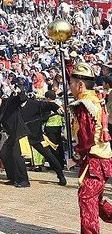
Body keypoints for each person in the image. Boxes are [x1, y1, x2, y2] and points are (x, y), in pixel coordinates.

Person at [68, 62, 112, 234]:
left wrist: (75, 157)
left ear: (80, 85)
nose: (70, 87)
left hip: (94, 159)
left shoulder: (84, 104)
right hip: (102, 157)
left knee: (87, 200)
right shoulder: (94, 99)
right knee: (95, 199)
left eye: (71, 83)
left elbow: (87, 138)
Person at [0, 86, 30, 188]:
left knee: (17, 156)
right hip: (11, 135)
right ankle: (13, 177)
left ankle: (24, 180)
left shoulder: (9, 102)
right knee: (4, 154)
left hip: (19, 132)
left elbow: (22, 99)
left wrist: (20, 91)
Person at [20, 94, 66, 186]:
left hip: (35, 136)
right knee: (16, 156)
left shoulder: (34, 104)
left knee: (48, 155)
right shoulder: (14, 106)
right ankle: (19, 178)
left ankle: (60, 175)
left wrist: (56, 107)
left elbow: (49, 105)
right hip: (20, 136)